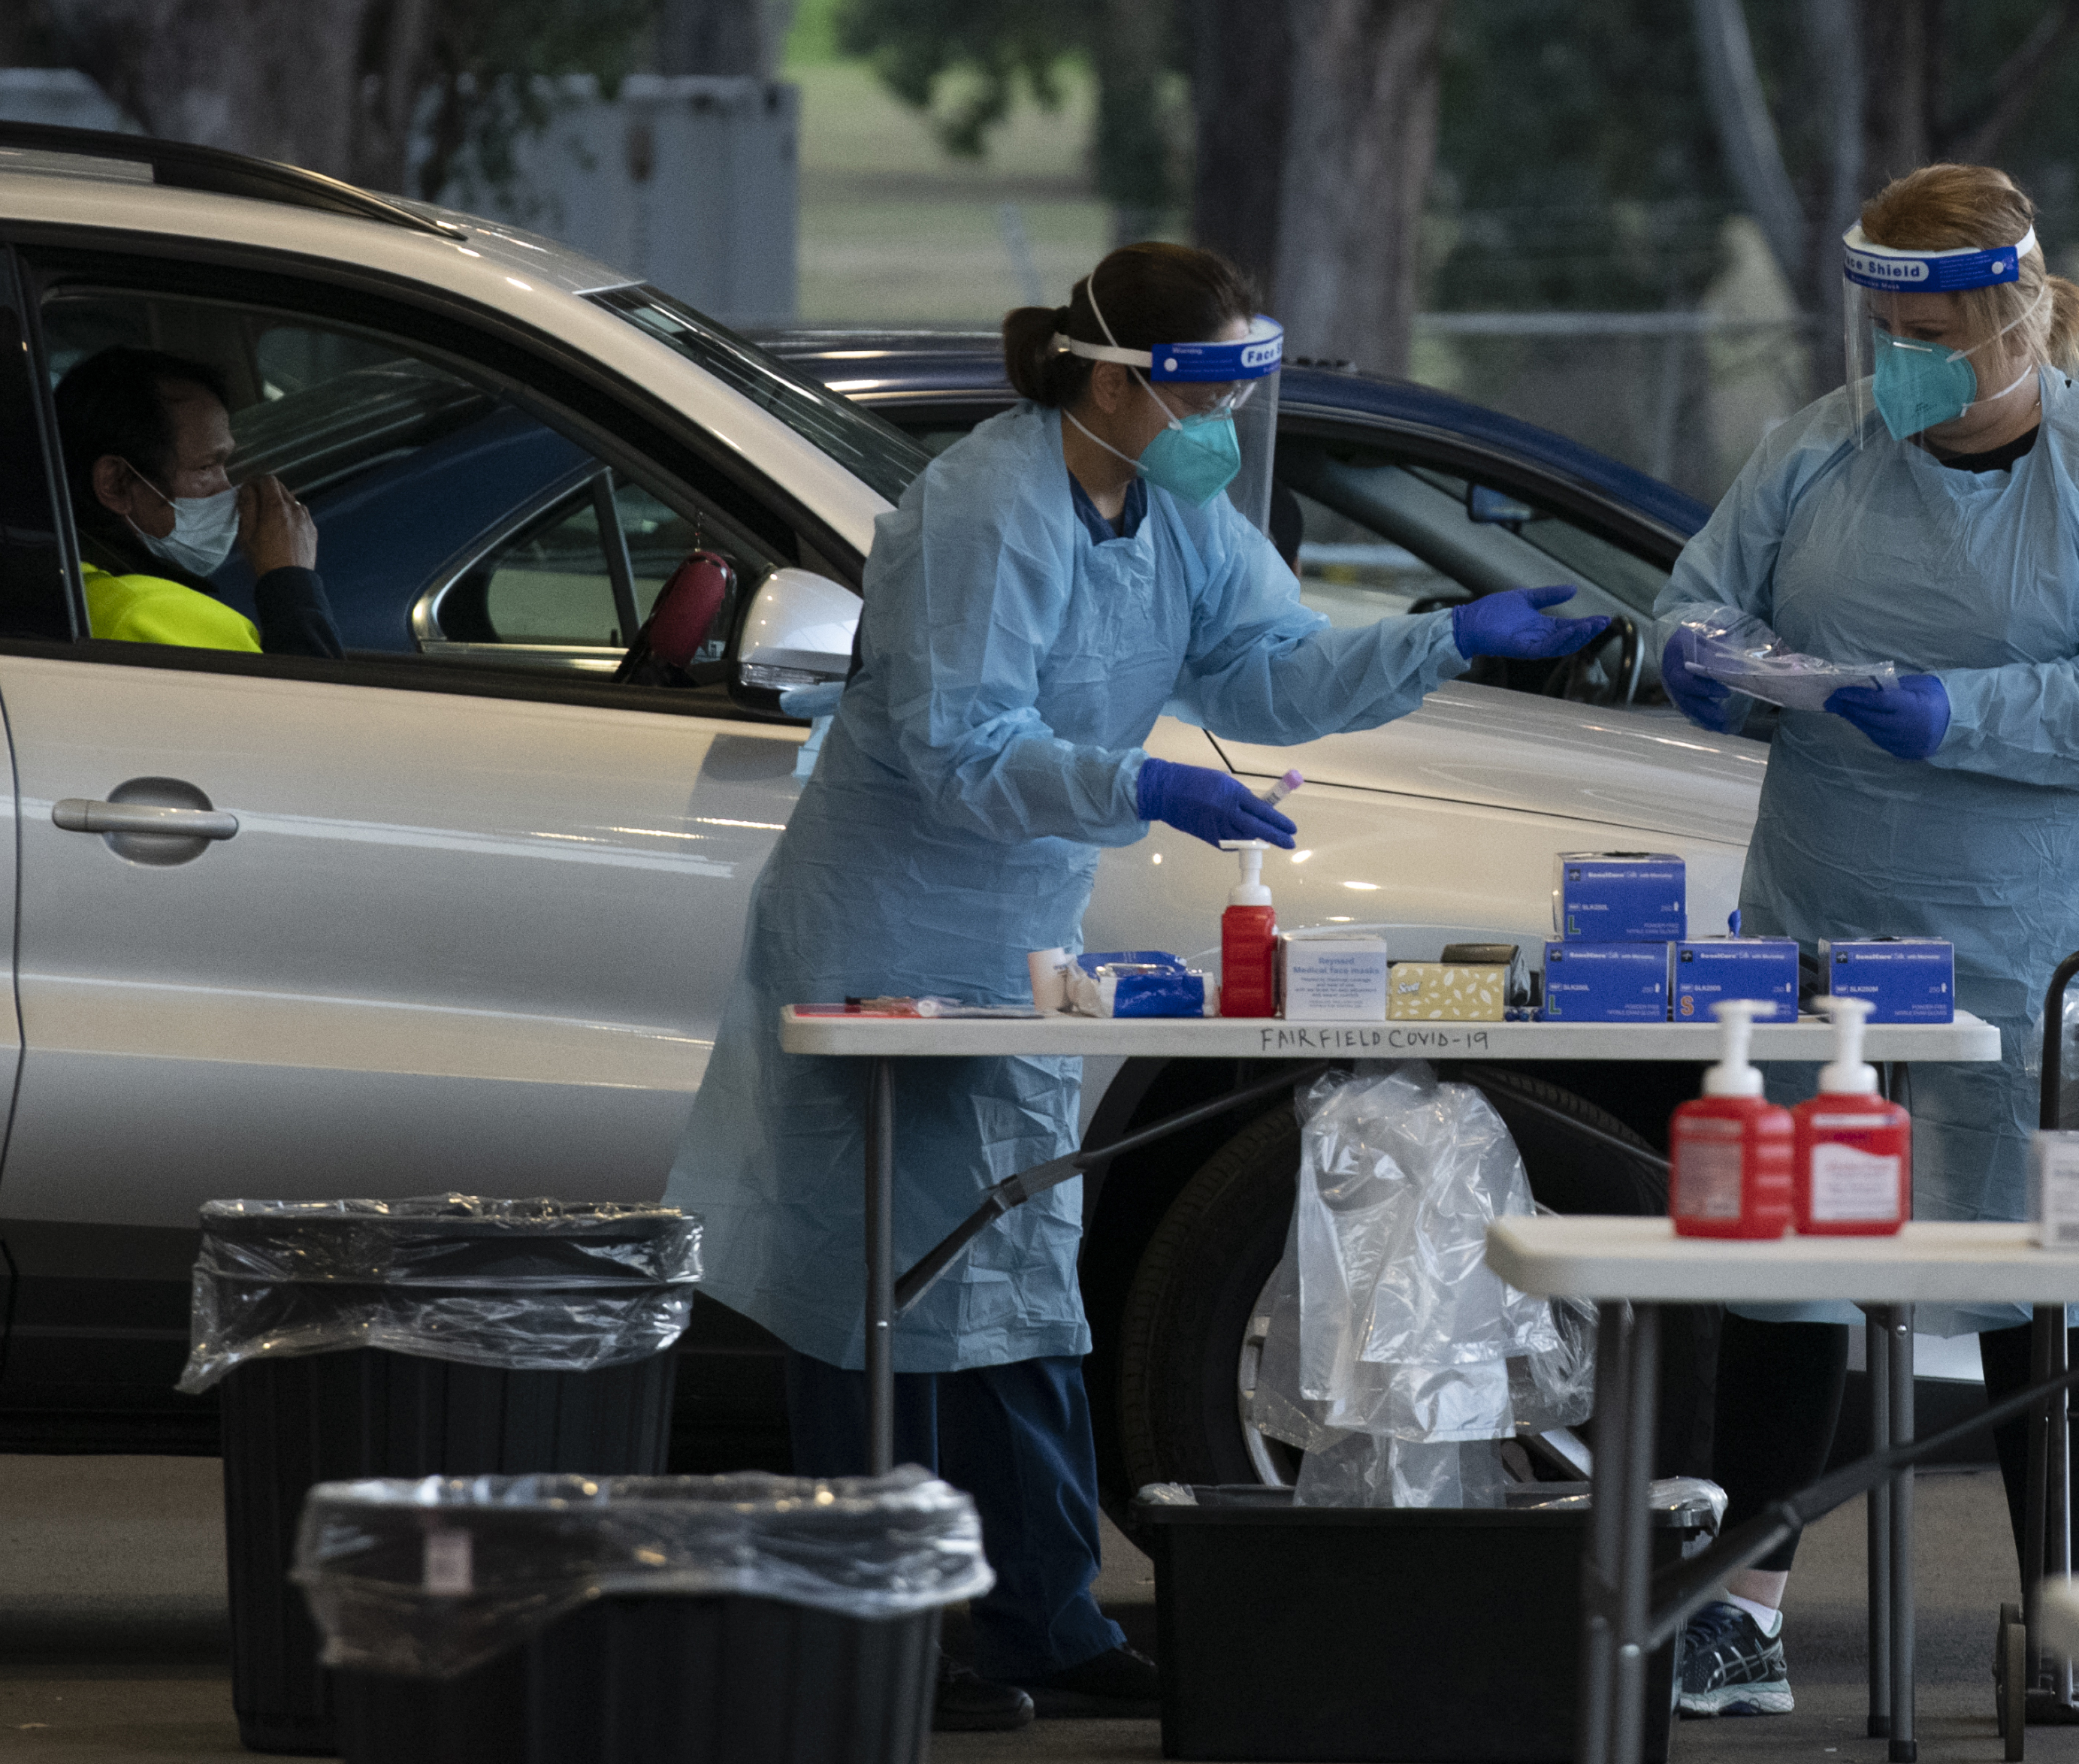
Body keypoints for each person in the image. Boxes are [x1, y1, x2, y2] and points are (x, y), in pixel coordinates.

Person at [660, 243, 1608, 1732]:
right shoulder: (985, 507)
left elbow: (1268, 675)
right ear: (1110, 381)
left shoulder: (1176, 506)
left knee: (1020, 1283)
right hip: (889, 926)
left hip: (1021, 934)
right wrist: (1140, 779)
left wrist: (1444, 636)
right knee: (882, 1300)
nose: (1226, 423)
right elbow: (955, 746)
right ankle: (891, 1629)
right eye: (1204, 389)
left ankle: (1043, 1615)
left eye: (1241, 391)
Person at [1655, 165, 2079, 1726]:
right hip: (1834, 911)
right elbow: (1698, 594)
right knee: (1789, 1267)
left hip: (2049, 926)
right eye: (1874, 328)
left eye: (1917, 332)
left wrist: (1956, 711)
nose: (1887, 359)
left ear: (2005, 320)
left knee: (2056, 1274)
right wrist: (1693, 655)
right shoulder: (1816, 449)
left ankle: (2057, 1621)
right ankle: (1740, 1611)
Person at [53, 346, 337, 656]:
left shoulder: (79, 583)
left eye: (224, 466)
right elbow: (310, 702)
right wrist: (290, 581)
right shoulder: (150, 612)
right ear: (117, 484)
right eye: (205, 468)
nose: (227, 490)